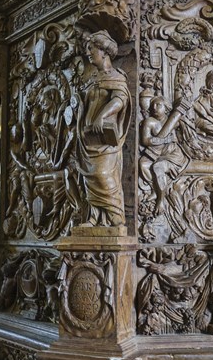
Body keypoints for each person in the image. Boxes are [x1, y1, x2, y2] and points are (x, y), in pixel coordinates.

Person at [76, 30, 131, 227]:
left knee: (103, 174)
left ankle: (115, 216)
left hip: (105, 140)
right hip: (88, 138)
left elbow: (120, 100)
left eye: (91, 49)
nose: (88, 53)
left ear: (104, 51)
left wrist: (102, 115)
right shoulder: (92, 79)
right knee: (89, 177)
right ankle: (94, 217)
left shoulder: (116, 77)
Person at [139, 96, 188, 215]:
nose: (154, 108)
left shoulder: (172, 121)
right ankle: (155, 189)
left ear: (166, 108)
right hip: (156, 153)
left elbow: (185, 136)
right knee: (143, 164)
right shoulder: (150, 122)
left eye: (158, 105)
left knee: (158, 167)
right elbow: (145, 141)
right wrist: (164, 140)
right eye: (152, 106)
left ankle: (161, 200)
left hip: (173, 154)